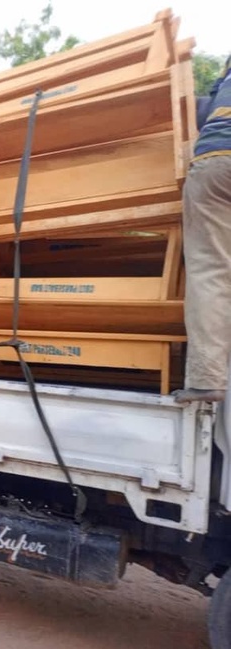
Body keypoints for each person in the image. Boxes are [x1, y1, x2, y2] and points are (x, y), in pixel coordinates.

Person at [175, 56, 231, 404]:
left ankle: (208, 377)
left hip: (218, 161)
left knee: (211, 268)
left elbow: (195, 112)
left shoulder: (224, 84)